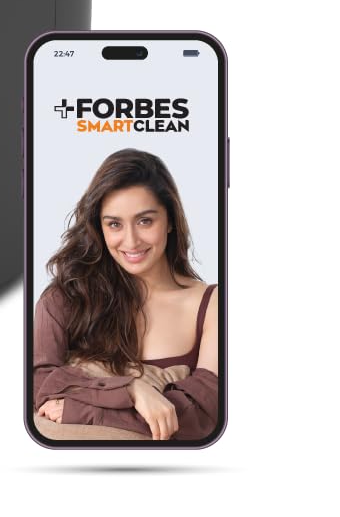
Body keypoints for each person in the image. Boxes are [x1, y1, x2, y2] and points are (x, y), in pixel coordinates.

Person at [32, 148, 219, 441]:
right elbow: (38, 384)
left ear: (170, 220)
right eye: (114, 224)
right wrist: (130, 389)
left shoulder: (213, 305)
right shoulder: (65, 296)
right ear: (99, 227)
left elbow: (201, 416)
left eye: (145, 221)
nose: (131, 241)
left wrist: (88, 409)